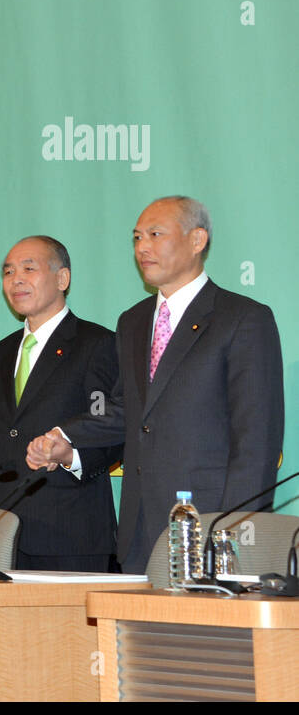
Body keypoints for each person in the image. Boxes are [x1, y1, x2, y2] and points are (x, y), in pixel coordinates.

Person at [27, 196, 285, 572]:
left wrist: (232, 532)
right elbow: (126, 410)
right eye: (136, 238)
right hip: (140, 529)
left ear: (197, 241)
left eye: (154, 234)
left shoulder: (242, 318)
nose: (142, 247)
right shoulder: (133, 321)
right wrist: (63, 435)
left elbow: (256, 440)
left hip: (209, 527)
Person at [0, 237, 121, 572]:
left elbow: (110, 427)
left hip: (71, 532)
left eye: (28, 269)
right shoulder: (0, 352)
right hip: (2, 533)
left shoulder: (96, 344)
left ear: (62, 279)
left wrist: (69, 456)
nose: (16, 279)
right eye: (8, 271)